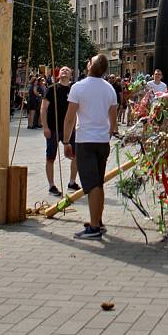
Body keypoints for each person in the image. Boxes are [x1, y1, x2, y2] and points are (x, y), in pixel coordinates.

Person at [63, 54, 118, 240]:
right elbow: (114, 120)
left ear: (90, 66)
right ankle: (98, 221)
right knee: (99, 183)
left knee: (92, 185)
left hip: (85, 140)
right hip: (102, 142)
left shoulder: (78, 87)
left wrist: (65, 141)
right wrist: (108, 133)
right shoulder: (109, 88)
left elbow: (70, 117)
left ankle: (94, 227)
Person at [40, 66, 79, 197]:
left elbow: (76, 111)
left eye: (67, 70)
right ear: (58, 74)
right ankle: (51, 186)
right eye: (62, 70)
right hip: (52, 128)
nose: (64, 71)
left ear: (71, 75)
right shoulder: (51, 89)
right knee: (50, 157)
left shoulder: (73, 90)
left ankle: (72, 182)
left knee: (76, 155)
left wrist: (76, 126)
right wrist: (45, 127)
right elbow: (43, 108)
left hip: (68, 129)